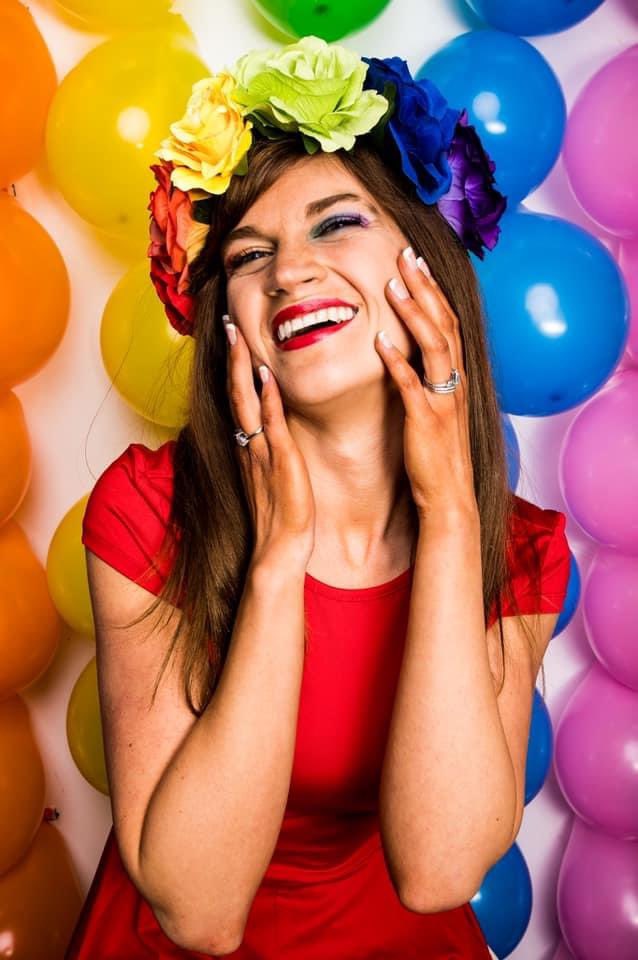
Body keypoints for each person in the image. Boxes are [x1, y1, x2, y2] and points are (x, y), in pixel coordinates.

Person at [65, 36, 570, 959]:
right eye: (250, 255)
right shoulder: (143, 513)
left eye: (336, 224)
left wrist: (450, 518)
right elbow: (200, 912)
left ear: (426, 265)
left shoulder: (520, 550)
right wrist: (277, 559)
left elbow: (439, 872)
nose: (289, 271)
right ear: (226, 319)